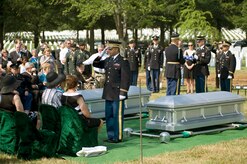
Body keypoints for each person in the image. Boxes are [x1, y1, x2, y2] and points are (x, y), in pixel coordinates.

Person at [93, 40, 131, 143]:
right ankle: (110, 136)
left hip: (117, 92)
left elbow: (126, 78)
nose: (108, 51)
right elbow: (95, 63)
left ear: (116, 49)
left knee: (116, 116)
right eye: (107, 49)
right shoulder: (108, 60)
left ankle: (117, 136)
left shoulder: (123, 61)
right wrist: (102, 53)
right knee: (109, 115)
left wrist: (123, 92)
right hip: (108, 92)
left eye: (110, 49)